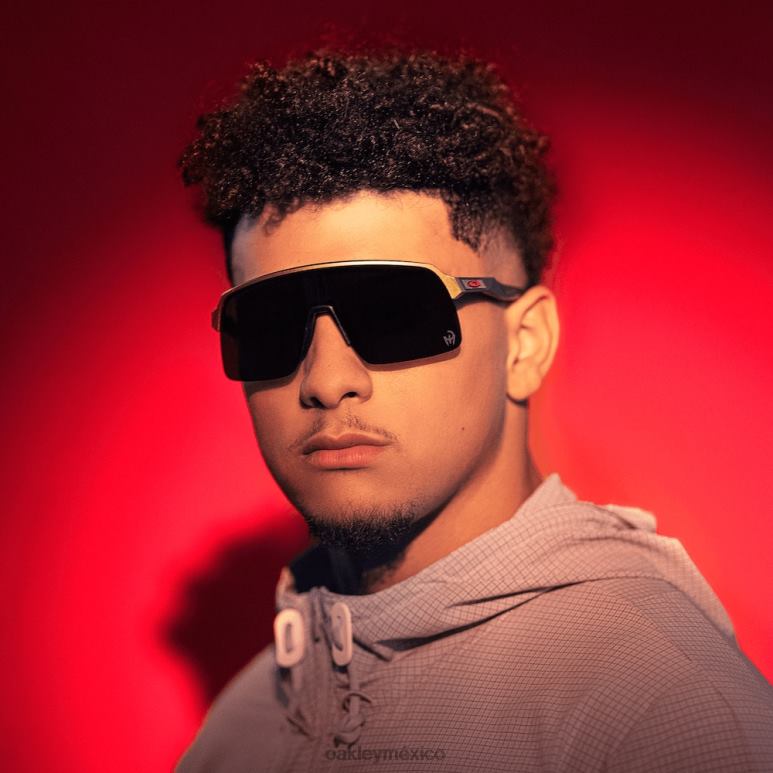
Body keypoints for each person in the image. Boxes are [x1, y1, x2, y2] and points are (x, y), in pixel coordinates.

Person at [174, 48, 773, 772]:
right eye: (269, 325)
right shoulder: (241, 729)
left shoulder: (661, 709)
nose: (327, 380)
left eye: (394, 314)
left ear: (525, 343)